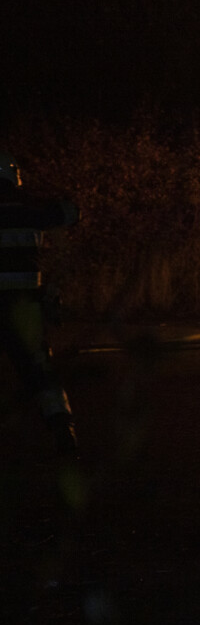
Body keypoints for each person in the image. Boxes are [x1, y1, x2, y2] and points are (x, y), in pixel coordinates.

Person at [0, 150, 80, 457]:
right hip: (25, 307)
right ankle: (63, 429)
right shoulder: (32, 208)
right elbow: (72, 211)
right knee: (41, 371)